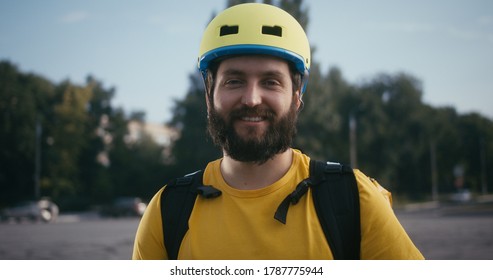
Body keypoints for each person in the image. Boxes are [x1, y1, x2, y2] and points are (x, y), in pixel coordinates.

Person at [132, 3, 424, 260]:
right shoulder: (167, 210)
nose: (251, 99)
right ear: (209, 95)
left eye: (271, 82)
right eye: (234, 81)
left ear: (297, 96)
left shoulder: (353, 199)